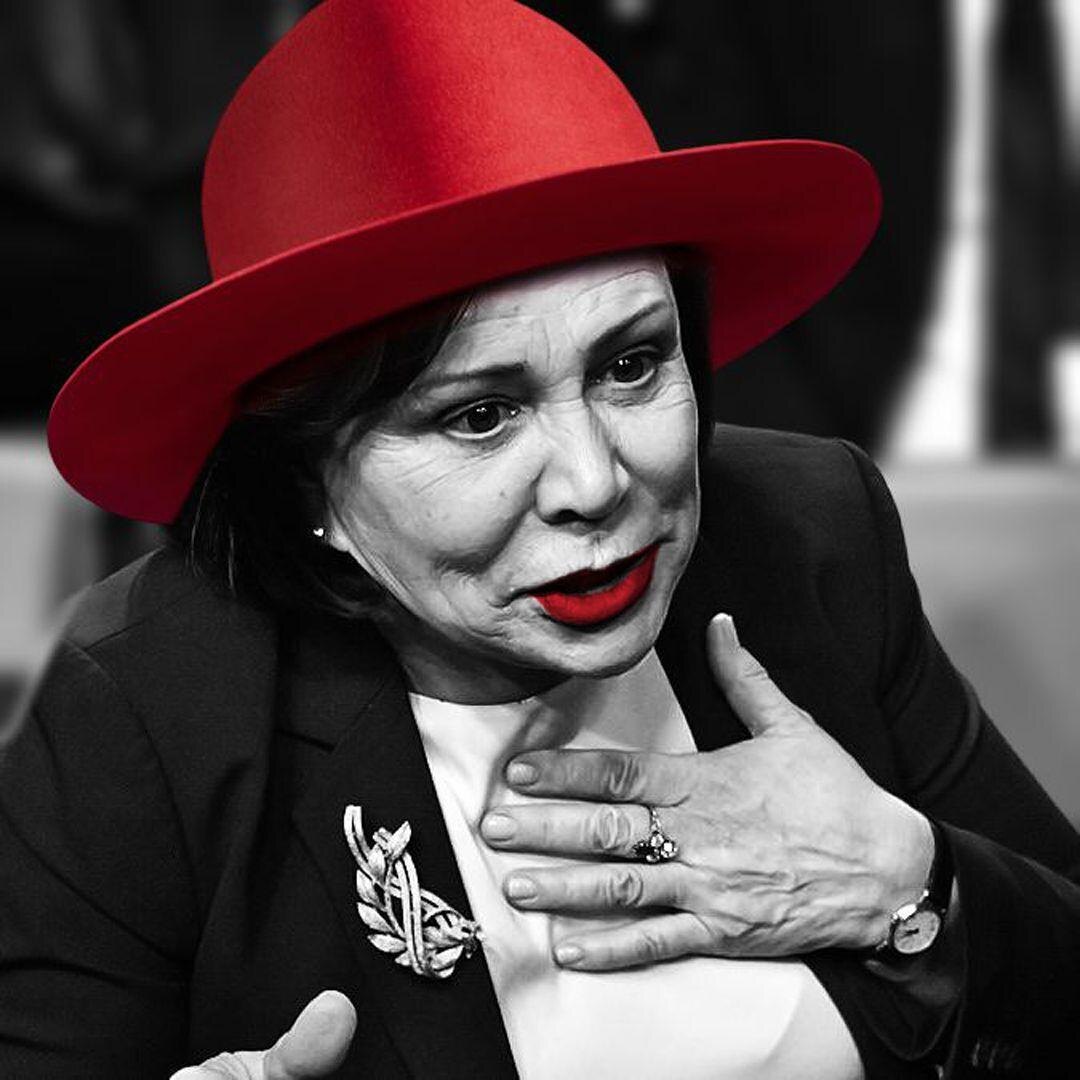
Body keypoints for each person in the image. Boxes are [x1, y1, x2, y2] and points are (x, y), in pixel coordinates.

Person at [2, 1, 1078, 1077]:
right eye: (480, 415)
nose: (595, 482)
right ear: (304, 475)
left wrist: (912, 886)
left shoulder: (808, 534)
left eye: (632, 365)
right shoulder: (146, 710)